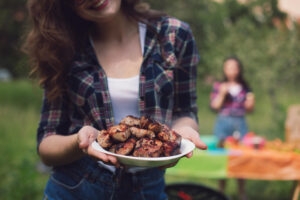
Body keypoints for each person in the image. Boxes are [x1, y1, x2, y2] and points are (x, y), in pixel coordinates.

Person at [22, 0, 207, 199]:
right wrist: (79, 142)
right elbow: (47, 144)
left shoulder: (174, 34)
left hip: (148, 189)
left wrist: (180, 134)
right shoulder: (64, 46)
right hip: (77, 188)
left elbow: (185, 111)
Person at [210, 56, 255, 200]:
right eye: (229, 67)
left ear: (239, 69)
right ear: (224, 69)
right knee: (222, 157)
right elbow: (214, 106)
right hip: (223, 122)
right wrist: (223, 93)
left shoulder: (245, 87)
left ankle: (242, 192)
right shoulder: (219, 86)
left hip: (240, 123)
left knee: (241, 156)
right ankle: (220, 192)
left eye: (234, 67)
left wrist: (250, 104)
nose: (232, 70)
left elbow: (250, 109)